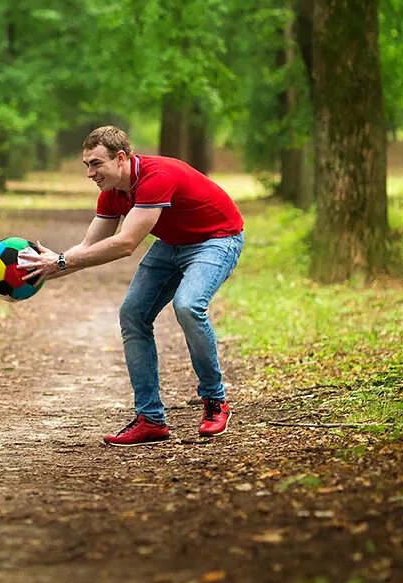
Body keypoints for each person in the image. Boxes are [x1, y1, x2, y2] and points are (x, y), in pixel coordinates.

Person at [18, 126, 244, 446]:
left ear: (121, 158)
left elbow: (125, 244)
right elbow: (88, 247)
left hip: (216, 240)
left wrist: (62, 262)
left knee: (188, 305)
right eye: (86, 165)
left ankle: (215, 401)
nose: (90, 173)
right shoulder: (112, 193)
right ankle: (150, 419)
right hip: (172, 244)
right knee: (133, 314)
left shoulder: (155, 177)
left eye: (96, 164)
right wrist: (46, 269)